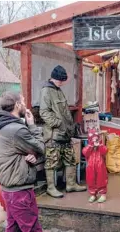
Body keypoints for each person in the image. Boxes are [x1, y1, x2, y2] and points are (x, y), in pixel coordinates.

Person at [0, 91, 44, 232]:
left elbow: (22, 151)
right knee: (32, 228)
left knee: (13, 228)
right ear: (18, 105)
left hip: (11, 189)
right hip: (18, 192)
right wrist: (32, 125)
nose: (25, 105)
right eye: (23, 102)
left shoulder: (4, 126)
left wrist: (33, 155)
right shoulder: (16, 130)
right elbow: (40, 147)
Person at [39, 65, 86, 198]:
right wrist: (57, 123)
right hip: (54, 134)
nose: (63, 83)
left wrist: (68, 127)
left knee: (70, 159)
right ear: (56, 78)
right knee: (51, 161)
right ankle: (50, 187)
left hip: (65, 133)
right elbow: (44, 112)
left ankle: (71, 184)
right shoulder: (46, 91)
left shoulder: (58, 90)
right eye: (62, 80)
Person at [82, 128, 108, 203]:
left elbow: (105, 151)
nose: (94, 141)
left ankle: (103, 194)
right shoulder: (88, 147)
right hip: (90, 166)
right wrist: (91, 146)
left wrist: (99, 145)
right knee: (91, 179)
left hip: (100, 166)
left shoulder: (101, 146)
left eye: (96, 138)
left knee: (101, 179)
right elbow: (85, 152)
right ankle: (93, 194)